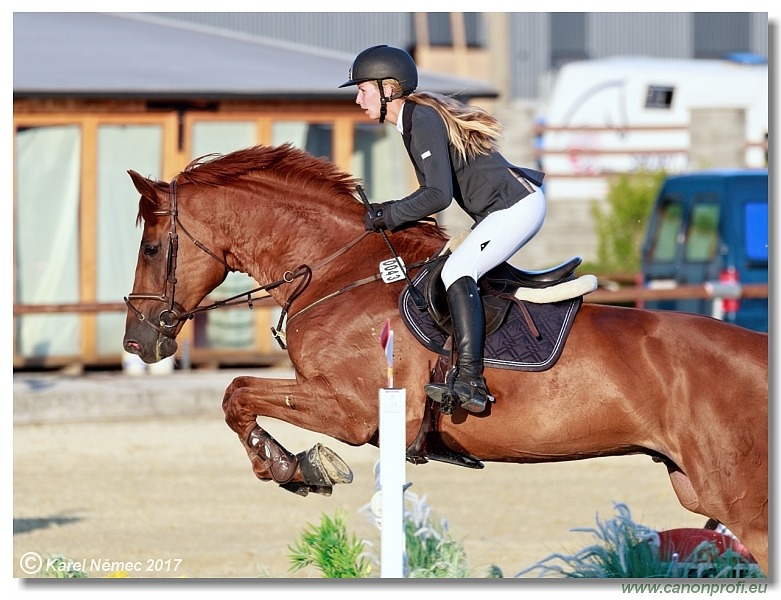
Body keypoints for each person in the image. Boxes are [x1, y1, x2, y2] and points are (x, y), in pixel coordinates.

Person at [340, 45, 547, 414]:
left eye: (363, 89)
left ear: (389, 89)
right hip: (503, 210)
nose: (358, 99)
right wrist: (389, 212)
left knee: (456, 270)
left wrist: (387, 215)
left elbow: (437, 196)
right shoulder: (413, 122)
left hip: (515, 207)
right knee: (445, 266)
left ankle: (471, 380)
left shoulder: (421, 120)